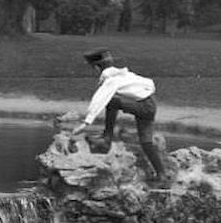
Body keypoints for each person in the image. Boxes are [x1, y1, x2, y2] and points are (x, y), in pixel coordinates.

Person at [71, 48, 168, 184]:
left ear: (97, 67)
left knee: (111, 101)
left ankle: (107, 139)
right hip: (149, 102)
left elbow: (100, 98)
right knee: (146, 142)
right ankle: (161, 174)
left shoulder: (111, 79)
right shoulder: (122, 74)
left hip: (144, 106)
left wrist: (85, 123)